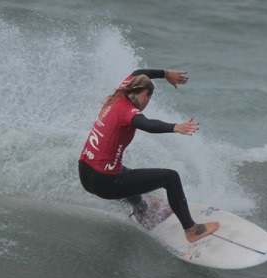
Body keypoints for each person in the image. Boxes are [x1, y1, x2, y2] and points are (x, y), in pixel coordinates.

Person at [78, 69, 220, 244]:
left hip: (85, 173)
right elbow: (147, 124)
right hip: (104, 183)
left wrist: (165, 73)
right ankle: (192, 230)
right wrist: (175, 127)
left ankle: (141, 208)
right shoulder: (128, 112)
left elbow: (138, 72)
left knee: (124, 174)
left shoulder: (118, 94)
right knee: (170, 177)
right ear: (146, 93)